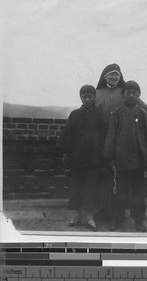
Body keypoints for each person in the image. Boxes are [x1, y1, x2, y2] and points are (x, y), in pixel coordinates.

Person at [95, 63, 147, 220]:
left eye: (116, 75)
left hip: (121, 142)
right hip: (102, 141)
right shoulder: (97, 93)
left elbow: (145, 109)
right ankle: (104, 211)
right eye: (110, 75)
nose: (114, 77)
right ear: (104, 77)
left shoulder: (126, 93)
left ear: (120, 78)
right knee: (105, 179)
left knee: (121, 181)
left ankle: (119, 215)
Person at [103, 81, 147, 232]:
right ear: (123, 95)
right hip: (120, 161)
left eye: (135, 92)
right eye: (128, 92)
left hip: (138, 161)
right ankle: (117, 218)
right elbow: (111, 136)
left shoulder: (143, 114)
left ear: (139, 95)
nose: (131, 95)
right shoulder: (117, 114)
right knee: (119, 192)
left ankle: (139, 220)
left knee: (138, 193)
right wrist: (109, 157)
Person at [59, 85, 105, 231]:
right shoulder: (74, 115)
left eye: (90, 96)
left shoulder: (99, 115)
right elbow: (67, 135)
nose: (87, 99)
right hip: (77, 159)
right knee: (76, 188)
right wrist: (66, 153)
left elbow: (104, 136)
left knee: (92, 189)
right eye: (84, 96)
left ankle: (90, 217)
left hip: (94, 160)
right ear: (80, 97)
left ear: (94, 98)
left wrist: (103, 156)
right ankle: (77, 216)